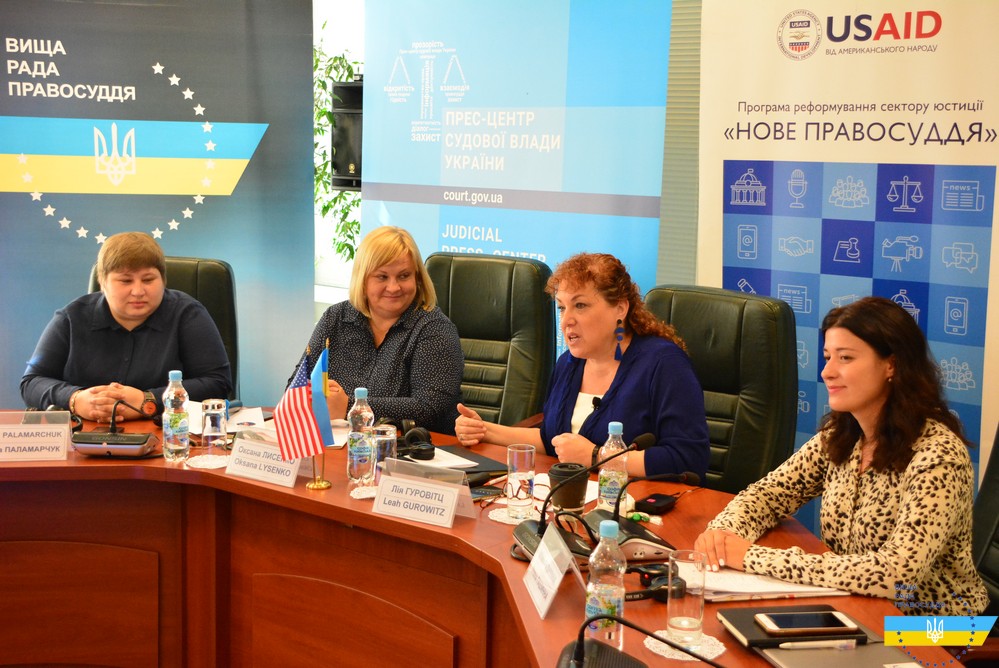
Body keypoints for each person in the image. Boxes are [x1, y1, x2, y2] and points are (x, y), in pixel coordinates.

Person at [694, 296, 988, 617]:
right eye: (827, 357)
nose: (827, 372)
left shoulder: (938, 455)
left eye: (845, 358)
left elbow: (895, 574)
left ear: (892, 365)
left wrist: (751, 557)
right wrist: (722, 535)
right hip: (858, 608)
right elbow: (766, 496)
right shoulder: (841, 435)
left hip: (941, 628)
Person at [455, 252, 709, 478]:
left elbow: (688, 460)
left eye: (580, 305)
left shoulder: (664, 364)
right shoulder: (569, 363)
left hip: (640, 503)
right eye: (562, 308)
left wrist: (597, 456)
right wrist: (485, 430)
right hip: (574, 497)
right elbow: (551, 439)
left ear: (620, 308)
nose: (567, 320)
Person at [20, 232, 233, 422]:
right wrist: (76, 399)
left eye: (148, 280)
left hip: (169, 436)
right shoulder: (72, 317)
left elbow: (218, 384)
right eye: (125, 281)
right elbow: (31, 382)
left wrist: (149, 400)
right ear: (103, 282)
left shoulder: (188, 314)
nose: (138, 291)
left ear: (163, 280)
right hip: (84, 435)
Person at [295, 226, 462, 435]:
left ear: (418, 278)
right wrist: (315, 397)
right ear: (363, 279)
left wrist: (349, 406)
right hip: (339, 443)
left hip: (414, 447)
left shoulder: (434, 329)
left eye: (404, 276)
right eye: (382, 277)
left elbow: (429, 408)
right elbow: (296, 387)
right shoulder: (335, 318)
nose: (393, 287)